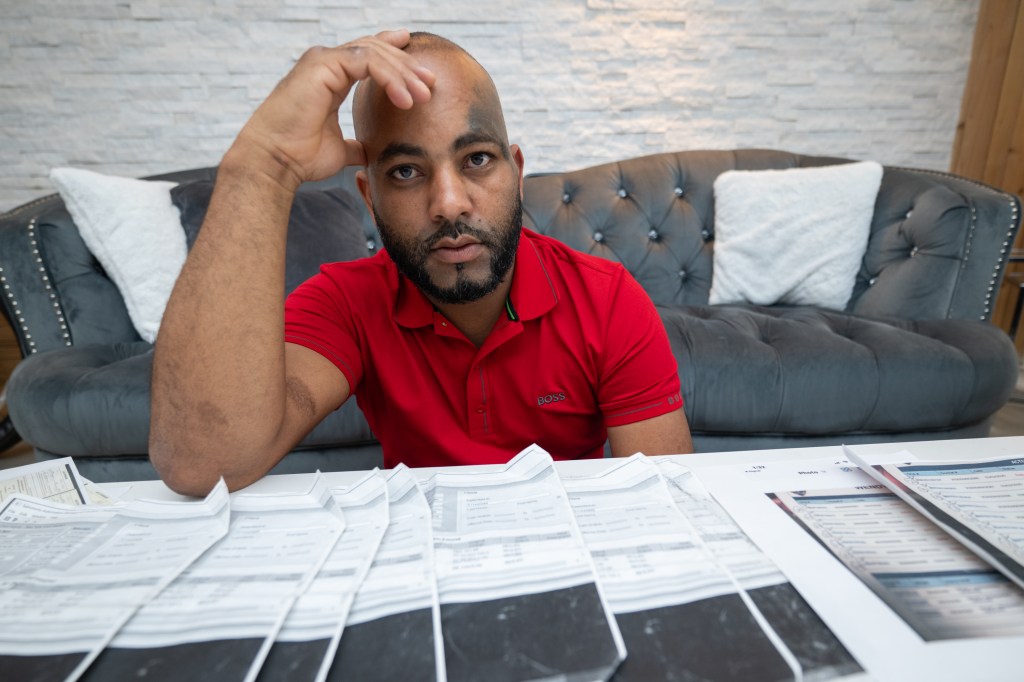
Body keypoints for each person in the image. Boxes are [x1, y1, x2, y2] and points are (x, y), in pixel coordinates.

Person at [150, 29, 693, 496]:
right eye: (406, 172)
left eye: (477, 159)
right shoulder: (345, 302)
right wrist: (263, 166)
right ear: (369, 196)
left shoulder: (607, 297)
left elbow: (665, 504)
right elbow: (201, 464)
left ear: (517, 170)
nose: (449, 203)